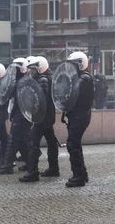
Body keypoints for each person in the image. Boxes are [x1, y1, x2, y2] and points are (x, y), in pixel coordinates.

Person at [19, 56, 59, 183]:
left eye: (33, 69)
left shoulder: (42, 80)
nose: (30, 72)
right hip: (47, 116)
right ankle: (53, 168)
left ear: (39, 68)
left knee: (32, 142)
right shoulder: (45, 78)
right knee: (51, 141)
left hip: (42, 117)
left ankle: (32, 172)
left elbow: (40, 99)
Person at [61, 52, 94, 187]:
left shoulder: (84, 78)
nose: (71, 68)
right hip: (76, 115)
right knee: (75, 144)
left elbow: (74, 92)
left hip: (80, 115)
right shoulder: (79, 77)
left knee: (72, 144)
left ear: (80, 64)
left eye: (73, 65)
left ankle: (78, 176)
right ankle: (82, 173)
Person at [0, 57, 31, 175]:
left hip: (22, 113)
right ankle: (30, 163)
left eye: (16, 69)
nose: (14, 71)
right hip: (19, 113)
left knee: (13, 139)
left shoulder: (25, 80)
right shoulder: (19, 80)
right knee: (22, 140)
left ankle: (8, 165)